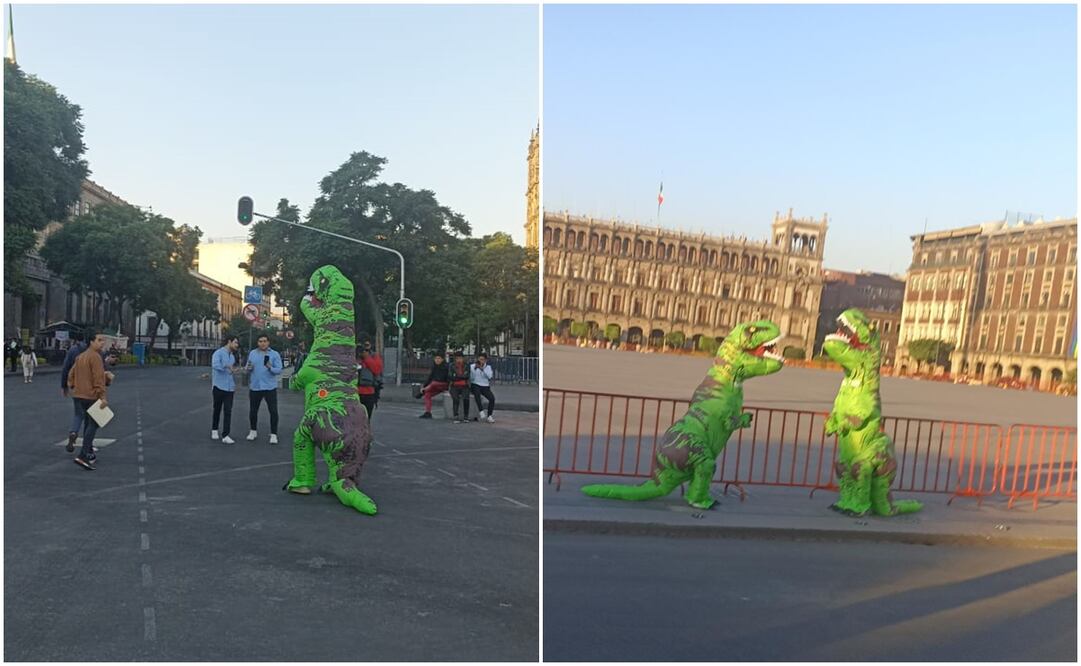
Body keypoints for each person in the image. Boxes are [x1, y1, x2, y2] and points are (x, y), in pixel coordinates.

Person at [68, 332, 109, 470]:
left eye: (103, 340)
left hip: (78, 394)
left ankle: (87, 452)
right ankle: (84, 454)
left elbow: (71, 374)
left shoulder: (80, 357)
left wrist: (73, 385)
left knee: (85, 420)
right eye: (99, 340)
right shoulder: (96, 357)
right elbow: (99, 379)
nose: (102, 343)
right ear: (91, 341)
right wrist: (103, 397)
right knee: (94, 423)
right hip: (91, 395)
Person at [245, 334, 283, 444]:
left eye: (265, 341)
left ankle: (274, 434)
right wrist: (249, 368)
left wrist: (270, 367)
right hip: (255, 386)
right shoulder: (252, 353)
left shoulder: (274, 354)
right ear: (257, 343)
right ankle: (253, 431)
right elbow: (247, 367)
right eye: (260, 341)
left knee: (273, 411)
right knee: (253, 410)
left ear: (268, 342)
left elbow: (279, 370)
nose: (262, 343)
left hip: (269, 387)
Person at [61, 333, 89, 452]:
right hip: (91, 389)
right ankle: (88, 444)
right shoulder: (93, 351)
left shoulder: (73, 350)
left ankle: (73, 432)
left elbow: (65, 368)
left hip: (76, 387)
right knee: (90, 417)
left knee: (78, 414)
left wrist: (64, 386)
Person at [211, 335, 241, 444]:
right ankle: (214, 429)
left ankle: (226, 435)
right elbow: (215, 366)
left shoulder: (232, 356)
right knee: (217, 409)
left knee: (228, 411)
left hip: (229, 388)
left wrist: (233, 370)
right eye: (235, 342)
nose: (237, 345)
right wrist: (226, 366)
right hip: (218, 386)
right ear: (229, 341)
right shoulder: (218, 353)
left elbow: (229, 371)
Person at [356, 340, 383, 421]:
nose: (364, 348)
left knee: (366, 418)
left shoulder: (374, 356)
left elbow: (377, 370)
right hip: (354, 392)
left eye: (366, 345)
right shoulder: (353, 356)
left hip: (369, 392)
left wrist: (366, 357)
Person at [418, 352, 449, 419]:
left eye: (439, 358)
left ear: (442, 359)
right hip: (436, 386)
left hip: (445, 385)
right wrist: (424, 386)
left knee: (433, 383)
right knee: (427, 394)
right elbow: (430, 378)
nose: (437, 360)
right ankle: (428, 413)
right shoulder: (434, 367)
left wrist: (425, 388)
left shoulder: (446, 367)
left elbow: (442, 379)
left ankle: (422, 392)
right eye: (436, 358)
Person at [470, 352, 496, 423]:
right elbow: (471, 378)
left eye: (483, 360)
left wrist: (482, 369)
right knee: (477, 393)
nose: (481, 361)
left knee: (492, 398)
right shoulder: (472, 366)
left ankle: (489, 416)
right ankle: (481, 411)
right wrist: (475, 369)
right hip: (475, 384)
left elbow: (489, 376)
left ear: (485, 360)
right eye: (480, 359)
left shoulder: (488, 367)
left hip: (485, 386)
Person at [448, 351, 471, 424]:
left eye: (460, 358)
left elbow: (467, 376)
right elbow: (451, 377)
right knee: (456, 399)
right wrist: (461, 377)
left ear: (463, 358)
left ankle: (466, 416)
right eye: (457, 358)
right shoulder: (451, 365)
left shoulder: (467, 365)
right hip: (454, 385)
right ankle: (456, 416)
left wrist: (457, 376)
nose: (459, 360)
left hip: (465, 385)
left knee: (466, 398)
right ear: (455, 359)